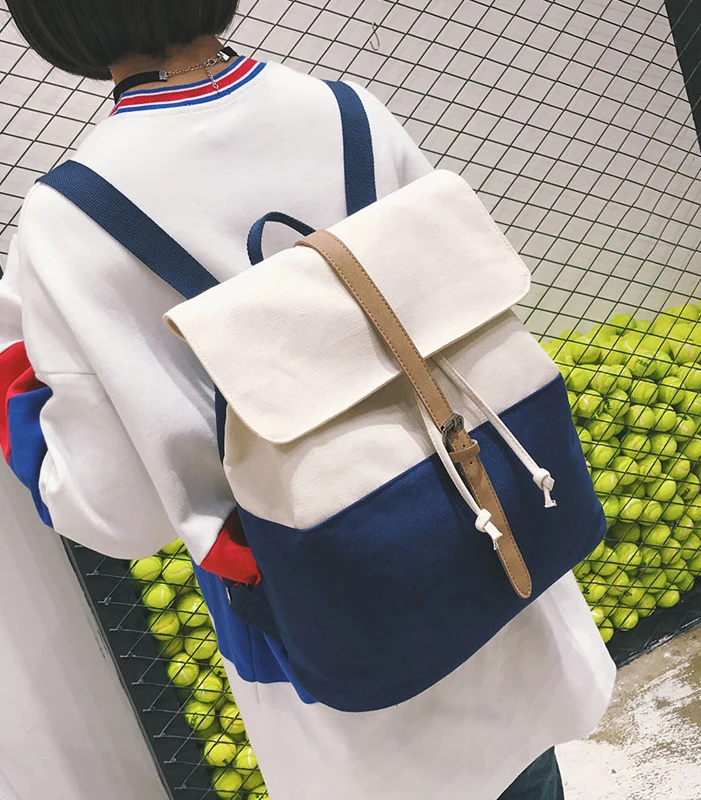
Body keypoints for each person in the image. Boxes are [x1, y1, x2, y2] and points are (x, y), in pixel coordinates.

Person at [0, 2, 616, 798]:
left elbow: (118, 515)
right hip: (492, 537)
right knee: (526, 769)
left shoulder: (71, 219)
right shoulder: (349, 111)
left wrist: (16, 383)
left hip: (336, 618)